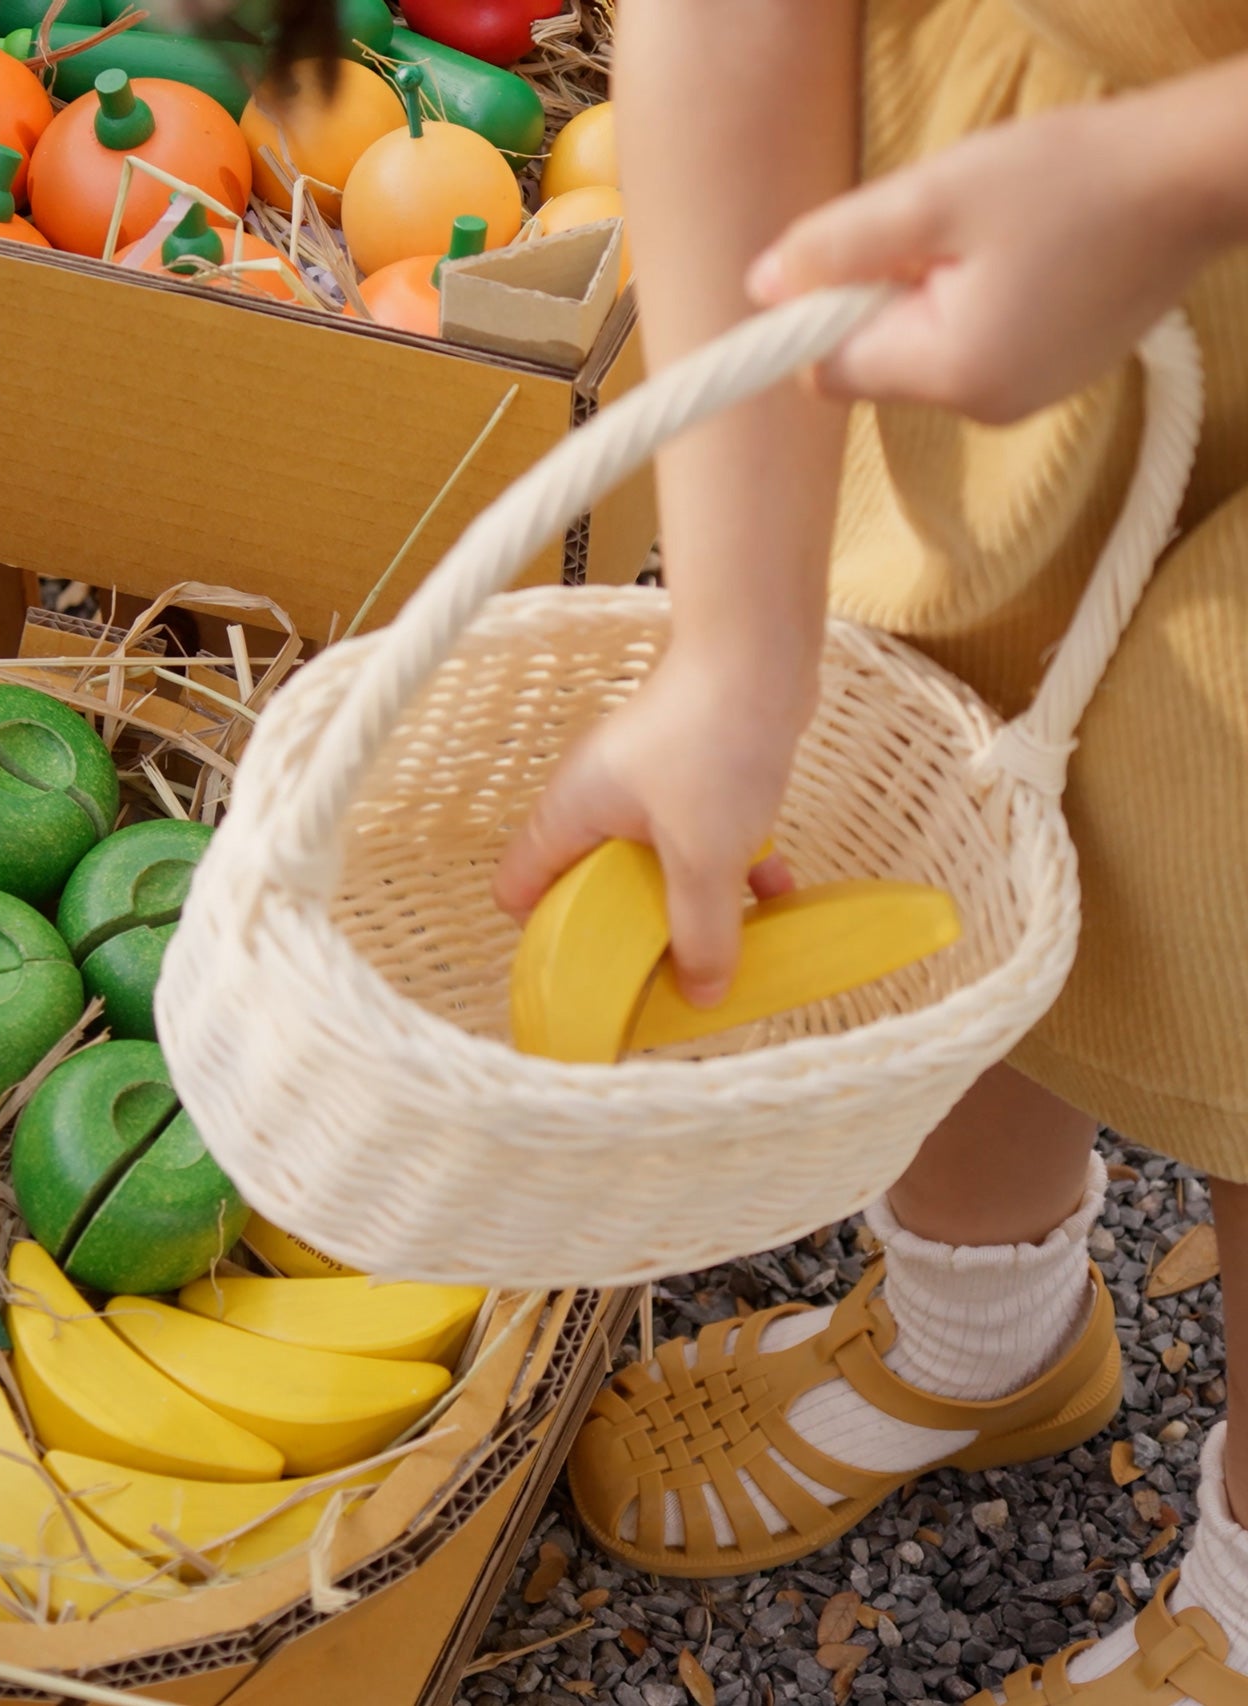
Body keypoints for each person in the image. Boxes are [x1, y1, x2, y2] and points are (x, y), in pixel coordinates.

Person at [284, 1, 1248, 1699]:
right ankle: (982, 1322)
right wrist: (737, 647)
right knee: (947, 724)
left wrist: (1181, 169)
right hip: (992, 178)